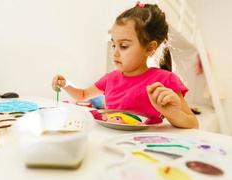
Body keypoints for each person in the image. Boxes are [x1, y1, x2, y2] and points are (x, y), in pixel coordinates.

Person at [52, 2, 198, 129]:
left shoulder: (165, 81)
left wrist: (174, 115)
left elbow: (193, 123)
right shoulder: (110, 79)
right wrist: (65, 84)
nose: (115, 52)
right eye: (114, 44)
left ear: (149, 48)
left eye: (123, 46)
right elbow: (82, 95)